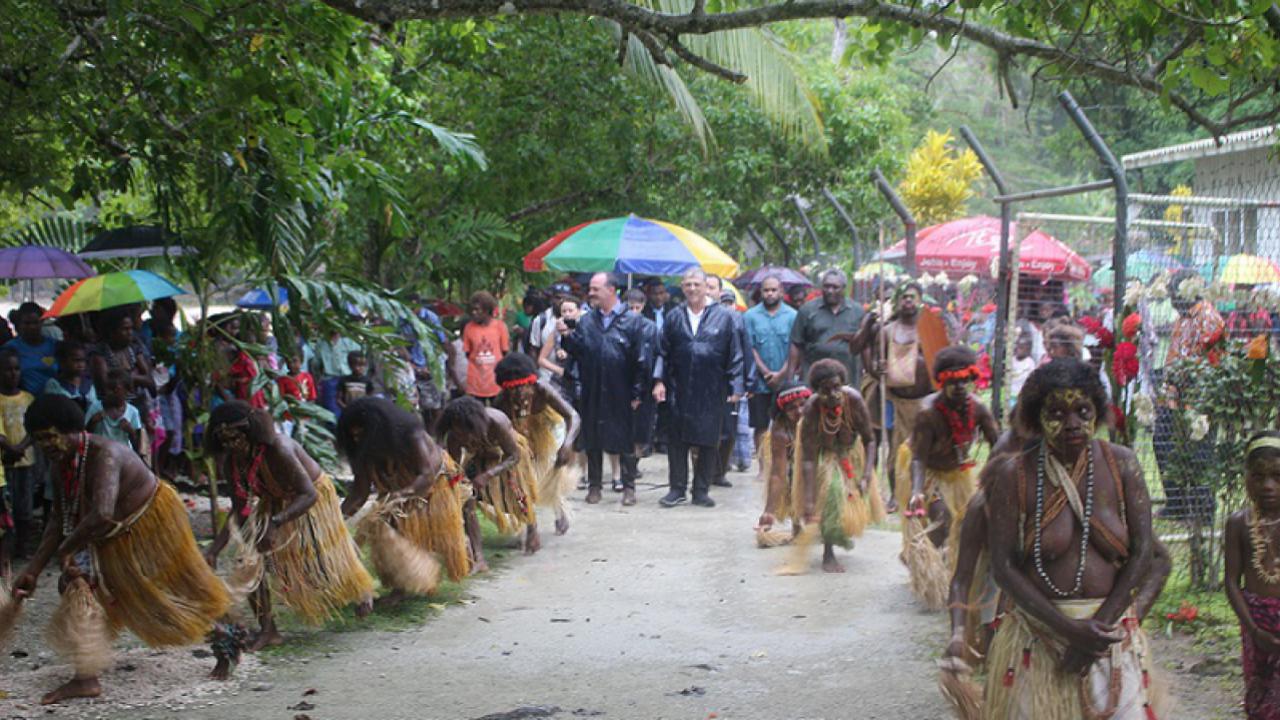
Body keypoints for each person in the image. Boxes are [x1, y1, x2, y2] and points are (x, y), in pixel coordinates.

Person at [11, 395, 230, 704]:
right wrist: (33, 569)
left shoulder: (105, 454)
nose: (46, 446)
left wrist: (66, 550)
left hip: (150, 522)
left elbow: (101, 513)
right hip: (109, 531)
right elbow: (58, 519)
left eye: (50, 437)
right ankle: (85, 677)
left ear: (73, 430)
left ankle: (227, 639)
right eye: (39, 440)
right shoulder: (62, 464)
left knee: (166, 594)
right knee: (77, 586)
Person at [982, 358, 1158, 720]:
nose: (1073, 423)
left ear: (1097, 411)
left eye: (1082, 410)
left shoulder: (1122, 464)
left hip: (1107, 636)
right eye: (1057, 413)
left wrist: (1098, 630)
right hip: (1040, 636)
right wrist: (1069, 630)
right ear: (1035, 417)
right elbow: (1003, 568)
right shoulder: (1015, 474)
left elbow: (1143, 555)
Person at [204, 401, 374, 667]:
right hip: (275, 502)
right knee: (250, 564)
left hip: (311, 498)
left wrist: (276, 523)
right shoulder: (232, 465)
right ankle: (268, 629)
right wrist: (214, 549)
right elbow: (239, 510)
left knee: (322, 563)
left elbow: (309, 494)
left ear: (249, 433)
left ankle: (360, 588)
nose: (231, 447)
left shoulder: (278, 450)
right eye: (224, 441)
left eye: (235, 439)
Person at [897, 346, 999, 608]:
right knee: (942, 520)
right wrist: (917, 491)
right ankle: (922, 557)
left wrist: (993, 478)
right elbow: (918, 458)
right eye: (954, 382)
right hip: (925, 469)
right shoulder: (927, 412)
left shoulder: (979, 409)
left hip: (957, 471)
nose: (961, 387)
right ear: (942, 383)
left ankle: (934, 559)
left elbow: (998, 447)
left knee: (964, 523)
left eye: (966, 380)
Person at [337, 397, 471, 585]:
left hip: (435, 485)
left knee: (438, 538)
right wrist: (337, 519)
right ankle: (400, 585)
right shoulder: (363, 450)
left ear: (376, 430)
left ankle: (462, 550)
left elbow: (426, 476)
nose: (357, 440)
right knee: (386, 531)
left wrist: (400, 496)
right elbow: (360, 492)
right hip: (401, 490)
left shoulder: (411, 436)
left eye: (361, 435)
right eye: (354, 436)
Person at [652, 268, 743, 508]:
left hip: (712, 387)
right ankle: (677, 488)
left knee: (707, 440)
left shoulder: (724, 316)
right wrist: (659, 381)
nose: (692, 289)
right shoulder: (674, 316)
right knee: (677, 440)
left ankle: (701, 490)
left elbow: (735, 353)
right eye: (687, 285)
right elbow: (662, 351)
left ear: (706, 287)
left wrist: (737, 385)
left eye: (696, 284)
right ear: (682, 287)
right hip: (678, 387)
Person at [559, 272, 648, 505]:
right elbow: (578, 351)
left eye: (595, 289)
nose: (591, 293)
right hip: (593, 387)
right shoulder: (587, 321)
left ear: (611, 290)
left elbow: (641, 359)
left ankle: (629, 487)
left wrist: (638, 392)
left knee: (625, 439)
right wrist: (566, 337)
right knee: (593, 438)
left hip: (622, 388)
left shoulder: (632, 320)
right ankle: (595, 486)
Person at [790, 359, 878, 573]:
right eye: (825, 390)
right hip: (825, 454)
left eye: (837, 387)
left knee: (846, 501)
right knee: (830, 493)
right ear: (817, 390)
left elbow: (870, 440)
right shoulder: (811, 409)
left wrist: (866, 475)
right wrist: (810, 501)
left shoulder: (854, 401)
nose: (833, 394)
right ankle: (828, 553)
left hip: (851, 452)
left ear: (843, 383)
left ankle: (836, 532)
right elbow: (809, 459)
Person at [437, 396, 540, 559]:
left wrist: (488, 475)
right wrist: (457, 488)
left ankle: (532, 526)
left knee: (518, 495)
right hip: (481, 457)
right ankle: (478, 557)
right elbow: (455, 470)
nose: (460, 437)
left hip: (509, 456)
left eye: (463, 432)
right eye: (456, 432)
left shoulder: (495, 422)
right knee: (468, 499)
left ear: (472, 425)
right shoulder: (454, 438)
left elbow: (514, 456)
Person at [1225, 431, 1280, 719]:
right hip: (1256, 623)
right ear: (1247, 478)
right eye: (1258, 477)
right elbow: (1231, 582)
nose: (1268, 486)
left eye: (1277, 477)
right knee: (1260, 699)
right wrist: (1254, 630)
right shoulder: (1238, 524)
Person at [493, 352, 580, 531]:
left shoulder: (543, 390)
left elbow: (573, 416)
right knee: (525, 475)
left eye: (522, 388)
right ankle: (530, 523)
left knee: (548, 469)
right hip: (520, 435)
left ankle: (559, 507)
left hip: (549, 428)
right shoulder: (501, 402)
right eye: (512, 390)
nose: (518, 394)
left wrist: (567, 444)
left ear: (531, 383)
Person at [866, 282, 933, 508]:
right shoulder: (887, 331)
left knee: (923, 447)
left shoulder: (928, 329)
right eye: (904, 297)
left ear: (920, 300)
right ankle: (895, 494)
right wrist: (879, 368)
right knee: (895, 448)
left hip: (923, 400)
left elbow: (940, 361)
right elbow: (875, 362)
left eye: (912, 297)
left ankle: (921, 492)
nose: (908, 301)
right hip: (894, 399)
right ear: (897, 301)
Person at [785, 268, 868, 388]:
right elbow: (796, 344)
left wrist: (870, 369)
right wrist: (790, 378)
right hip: (815, 379)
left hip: (847, 379)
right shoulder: (807, 310)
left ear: (844, 288)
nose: (830, 291)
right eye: (826, 286)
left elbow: (864, 345)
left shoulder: (857, 311)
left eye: (835, 287)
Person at [744, 276, 798, 454]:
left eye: (774, 290)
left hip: (786, 381)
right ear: (761, 292)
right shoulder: (750, 316)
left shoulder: (792, 316)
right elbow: (749, 347)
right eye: (766, 290)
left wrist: (781, 374)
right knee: (760, 426)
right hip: (759, 382)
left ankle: (785, 462)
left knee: (788, 422)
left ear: (781, 291)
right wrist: (766, 373)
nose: (770, 293)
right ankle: (762, 466)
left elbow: (795, 347)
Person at [754, 381, 810, 546]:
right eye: (792, 408)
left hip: (817, 463)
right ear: (783, 411)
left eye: (802, 405)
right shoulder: (780, 431)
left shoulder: (816, 419)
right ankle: (797, 525)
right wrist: (769, 512)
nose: (799, 411)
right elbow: (778, 474)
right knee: (793, 476)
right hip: (794, 467)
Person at [0, 351, 34, 561]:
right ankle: (8, 551)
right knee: (7, 508)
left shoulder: (28, 398)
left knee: (25, 507)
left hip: (27, 460)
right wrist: (12, 449)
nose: (13, 374)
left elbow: (34, 427)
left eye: (16, 369)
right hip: (5, 464)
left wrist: (21, 447)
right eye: (7, 370)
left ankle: (23, 548)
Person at [625, 288, 660, 460]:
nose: (634, 312)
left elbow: (658, 353)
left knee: (642, 426)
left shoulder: (651, 328)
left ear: (643, 306)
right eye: (630, 307)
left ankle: (634, 463)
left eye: (637, 308)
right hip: (624, 381)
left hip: (646, 382)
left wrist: (657, 381)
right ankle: (625, 461)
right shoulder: (619, 324)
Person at [462, 291, 509, 404]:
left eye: (477, 310)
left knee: (499, 411)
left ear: (487, 310)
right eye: (472, 310)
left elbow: (505, 351)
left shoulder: (500, 326)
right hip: (476, 382)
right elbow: (467, 353)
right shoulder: (469, 328)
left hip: (495, 381)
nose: (474, 313)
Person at [3, 303, 59, 396]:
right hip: (25, 403)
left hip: (55, 401)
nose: (32, 327)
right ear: (19, 324)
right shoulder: (10, 348)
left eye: (35, 322)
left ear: (42, 322)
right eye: (27, 323)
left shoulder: (54, 345)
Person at [85, 369, 143, 454]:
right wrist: (92, 422)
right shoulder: (96, 407)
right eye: (107, 389)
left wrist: (131, 431)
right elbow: (85, 434)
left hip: (123, 455)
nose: (109, 393)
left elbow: (138, 443)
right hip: (99, 453)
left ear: (127, 391)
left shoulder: (133, 412)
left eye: (114, 390)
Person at [312, 330, 361, 415]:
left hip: (348, 378)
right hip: (330, 379)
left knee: (352, 408)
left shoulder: (349, 342)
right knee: (332, 411)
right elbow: (316, 364)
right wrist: (319, 378)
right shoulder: (321, 343)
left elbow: (359, 359)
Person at [44, 340, 96, 411]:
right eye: (76, 360)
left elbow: (94, 407)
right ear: (62, 362)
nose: (81, 365)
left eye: (83, 360)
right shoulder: (54, 384)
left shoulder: (88, 383)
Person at [1007, 333, 1035, 411]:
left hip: (1021, 394)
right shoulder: (1011, 360)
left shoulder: (1030, 363)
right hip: (1009, 393)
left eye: (1021, 348)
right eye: (1017, 347)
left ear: (1028, 349)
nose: (1018, 350)